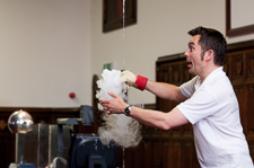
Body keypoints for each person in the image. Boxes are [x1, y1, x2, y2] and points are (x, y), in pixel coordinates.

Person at [100, 26, 254, 168]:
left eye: (191, 48)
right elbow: (176, 93)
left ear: (208, 54)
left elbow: (167, 121)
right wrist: (136, 80)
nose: (186, 53)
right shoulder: (202, 80)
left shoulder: (214, 89)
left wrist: (125, 109)